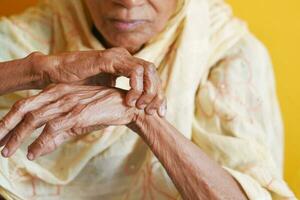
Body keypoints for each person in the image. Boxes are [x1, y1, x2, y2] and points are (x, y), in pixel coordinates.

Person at [0, 0, 296, 199]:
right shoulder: (34, 32)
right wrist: (39, 69)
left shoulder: (226, 51)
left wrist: (141, 114)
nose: (129, 2)